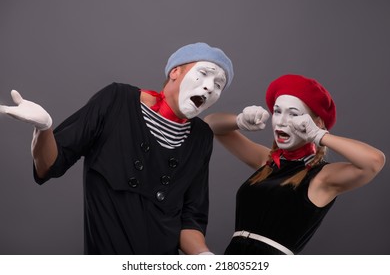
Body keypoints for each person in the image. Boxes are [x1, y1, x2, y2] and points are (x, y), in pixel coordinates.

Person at [0, 42, 234, 255]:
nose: (209, 88)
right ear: (175, 72)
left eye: (218, 85)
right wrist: (44, 128)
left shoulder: (202, 137)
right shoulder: (117, 101)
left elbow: (190, 219)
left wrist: (205, 257)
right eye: (203, 74)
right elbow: (50, 165)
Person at [204, 74, 385, 255]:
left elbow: (374, 161)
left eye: (293, 114)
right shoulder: (267, 162)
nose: (281, 121)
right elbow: (210, 125)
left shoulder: (322, 177)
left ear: (315, 123)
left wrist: (320, 135)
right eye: (277, 111)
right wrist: (240, 121)